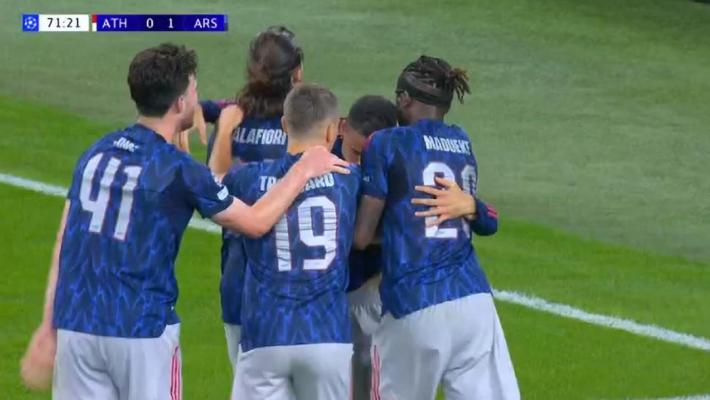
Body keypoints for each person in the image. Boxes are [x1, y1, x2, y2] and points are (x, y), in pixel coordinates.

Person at [19, 43, 348, 400]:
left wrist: (49, 325)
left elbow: (65, 241)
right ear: (179, 103)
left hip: (77, 327)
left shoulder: (96, 153)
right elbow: (255, 222)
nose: (196, 99)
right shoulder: (181, 170)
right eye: (193, 90)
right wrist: (303, 169)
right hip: (142, 328)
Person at [354, 55, 519, 400]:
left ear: (404, 99)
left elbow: (362, 237)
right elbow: (487, 221)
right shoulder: (462, 141)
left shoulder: (384, 143)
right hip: (473, 302)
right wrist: (472, 207)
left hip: (413, 302)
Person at [227, 83, 358, 400]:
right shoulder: (351, 179)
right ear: (332, 131)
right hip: (327, 334)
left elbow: (214, 183)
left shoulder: (247, 179)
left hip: (266, 333)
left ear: (284, 125)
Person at [201, 26, 304, 368]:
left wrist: (223, 130)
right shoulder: (306, 125)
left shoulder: (234, 121)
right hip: (302, 286)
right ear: (297, 73)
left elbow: (213, 190)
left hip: (241, 281)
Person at [333, 95, 397, 400]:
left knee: (368, 370)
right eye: (357, 153)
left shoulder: (397, 167)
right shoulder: (319, 162)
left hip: (370, 286)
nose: (362, 164)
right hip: (327, 290)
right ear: (342, 127)